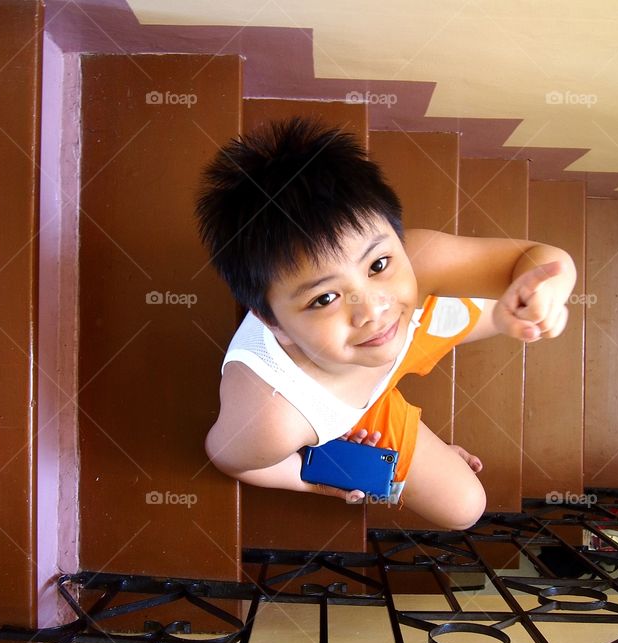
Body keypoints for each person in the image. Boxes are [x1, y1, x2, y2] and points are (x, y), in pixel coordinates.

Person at [197, 118, 576, 530]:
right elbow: (230, 460)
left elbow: (539, 259)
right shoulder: (275, 417)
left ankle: (495, 314)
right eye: (324, 298)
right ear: (273, 323)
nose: (372, 309)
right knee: (465, 508)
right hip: (343, 413)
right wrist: (312, 482)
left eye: (378, 265)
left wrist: (541, 296)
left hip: (409, 323)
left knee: (504, 304)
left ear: (398, 240)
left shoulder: (418, 262)